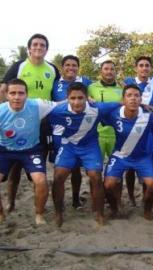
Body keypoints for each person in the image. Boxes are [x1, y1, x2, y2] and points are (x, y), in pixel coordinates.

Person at [0, 33, 60, 212]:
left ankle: (38, 205)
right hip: (17, 120)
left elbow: (58, 95)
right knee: (15, 167)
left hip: (43, 123)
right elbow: (2, 90)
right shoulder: (19, 66)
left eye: (42, 45)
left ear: (46, 49)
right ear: (29, 48)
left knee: (38, 167)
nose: (38, 47)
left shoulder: (52, 69)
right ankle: (11, 203)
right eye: (35, 44)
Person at [0, 79, 58, 225]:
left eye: (21, 93)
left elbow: (62, 104)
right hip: (4, 151)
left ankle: (39, 214)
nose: (17, 97)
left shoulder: (37, 105)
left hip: (31, 150)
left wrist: (87, 100)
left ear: (26, 95)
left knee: (41, 181)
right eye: (13, 93)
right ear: (7, 95)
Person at [49, 82, 120, 227]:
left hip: (90, 146)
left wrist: (145, 106)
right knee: (58, 176)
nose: (76, 102)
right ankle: (58, 213)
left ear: (87, 98)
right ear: (67, 98)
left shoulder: (97, 108)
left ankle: (100, 214)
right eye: (73, 98)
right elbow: (37, 113)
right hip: (68, 145)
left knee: (95, 176)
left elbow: (120, 103)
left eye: (80, 98)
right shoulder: (57, 110)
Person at [103, 84, 153, 220]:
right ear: (123, 99)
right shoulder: (114, 114)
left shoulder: (149, 115)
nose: (133, 99)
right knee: (108, 185)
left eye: (136, 96)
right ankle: (114, 210)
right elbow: (97, 111)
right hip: (120, 156)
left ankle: (147, 210)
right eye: (129, 95)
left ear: (141, 99)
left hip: (142, 158)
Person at [51, 55, 92, 209]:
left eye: (74, 65)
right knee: (60, 170)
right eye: (67, 65)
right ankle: (58, 205)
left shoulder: (86, 82)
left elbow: (93, 98)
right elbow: (49, 106)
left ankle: (75, 199)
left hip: (81, 133)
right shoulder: (55, 85)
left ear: (78, 67)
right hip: (59, 133)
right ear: (62, 67)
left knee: (76, 170)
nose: (71, 68)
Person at [123, 56, 153, 206]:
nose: (144, 68)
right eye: (141, 65)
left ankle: (148, 196)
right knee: (130, 167)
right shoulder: (128, 82)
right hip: (131, 127)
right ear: (136, 68)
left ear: (150, 68)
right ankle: (132, 196)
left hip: (149, 128)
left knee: (149, 163)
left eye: (147, 65)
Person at [88, 60, 123, 160]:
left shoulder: (122, 88)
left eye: (112, 69)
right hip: (97, 135)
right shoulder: (91, 87)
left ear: (115, 72)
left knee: (116, 171)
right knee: (96, 170)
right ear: (101, 72)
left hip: (117, 135)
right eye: (106, 69)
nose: (109, 71)